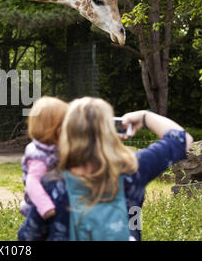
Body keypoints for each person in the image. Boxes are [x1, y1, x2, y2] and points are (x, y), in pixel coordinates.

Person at [18, 97, 193, 241]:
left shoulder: (52, 184)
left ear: (66, 133)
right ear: (109, 131)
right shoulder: (133, 170)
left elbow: (27, 237)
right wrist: (144, 117)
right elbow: (182, 139)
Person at [20, 96, 69, 220]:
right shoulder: (39, 156)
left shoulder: (54, 147)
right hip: (39, 209)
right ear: (53, 129)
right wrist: (46, 208)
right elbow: (32, 183)